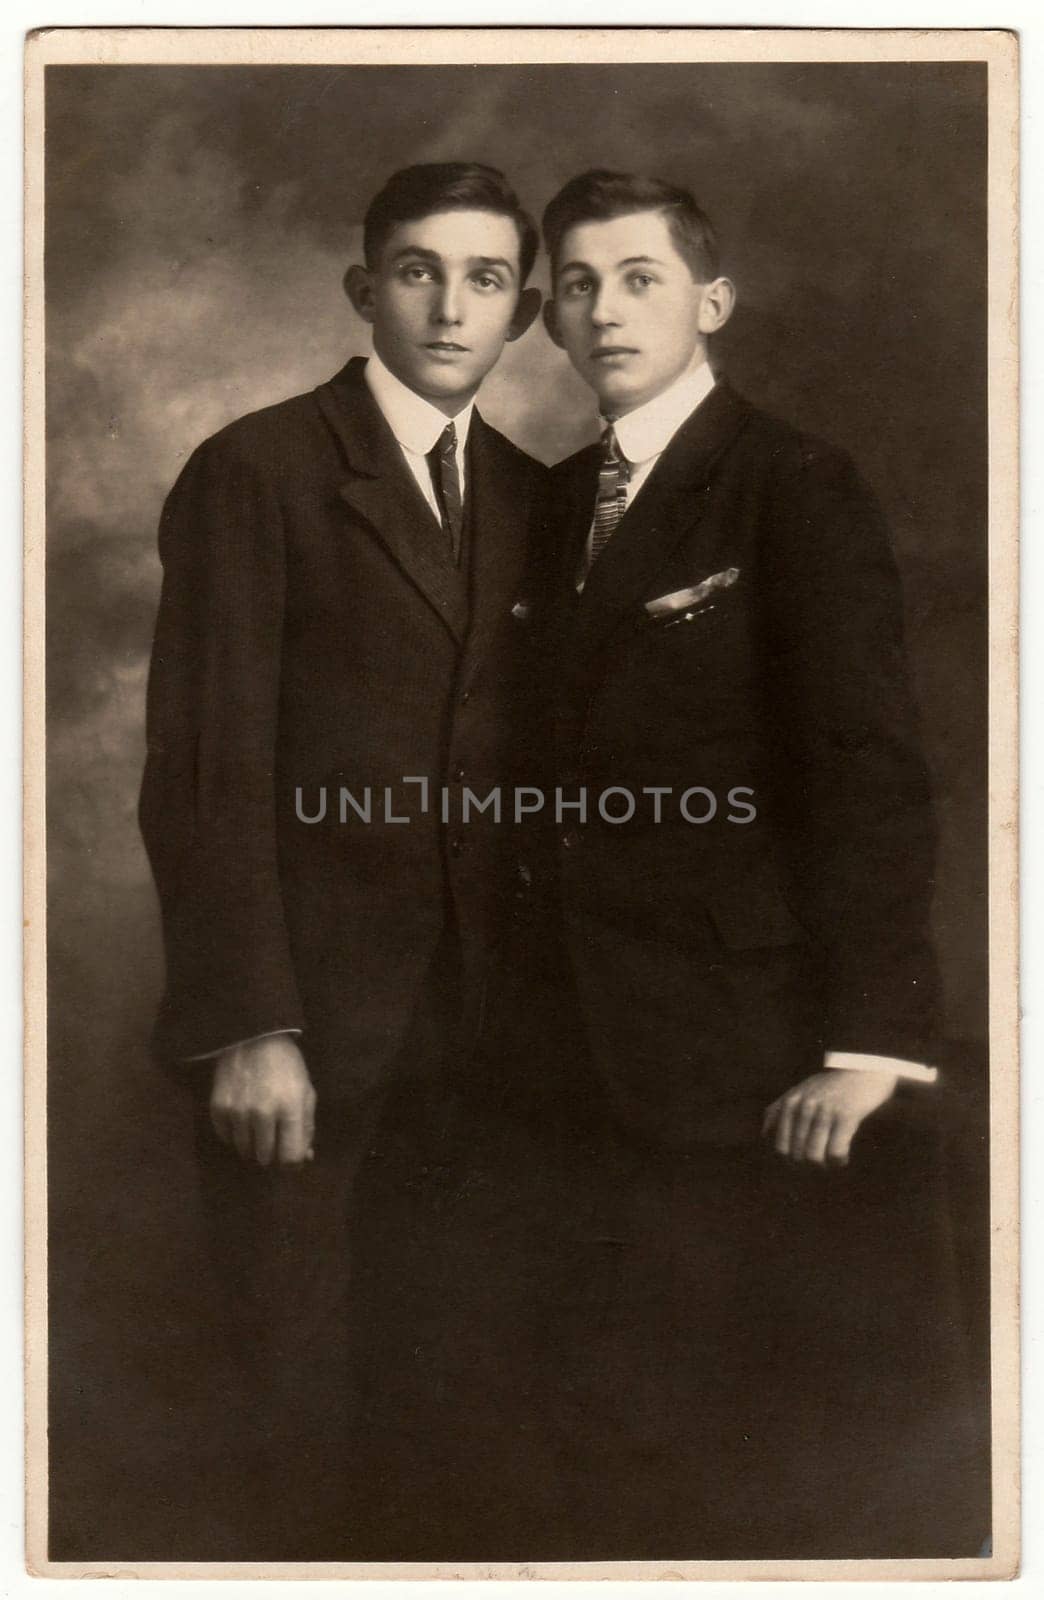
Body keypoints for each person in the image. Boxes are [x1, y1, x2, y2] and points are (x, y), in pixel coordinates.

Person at [528, 169, 980, 1556]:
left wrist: (872, 1038)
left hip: (749, 1039)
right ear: (551, 319)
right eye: (581, 285)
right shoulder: (544, 504)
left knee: (766, 1437)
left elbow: (867, 770)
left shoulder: (795, 484)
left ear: (712, 301)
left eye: (643, 277)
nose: (608, 310)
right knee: (593, 1430)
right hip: (559, 1044)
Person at [138, 162, 544, 1557]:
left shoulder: (536, 497)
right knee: (297, 1397)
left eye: (486, 278)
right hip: (309, 1030)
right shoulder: (258, 469)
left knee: (455, 1396)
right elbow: (203, 771)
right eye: (419, 269)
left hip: (487, 1038)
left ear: (527, 310)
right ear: (363, 287)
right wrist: (254, 1023)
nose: (449, 304)